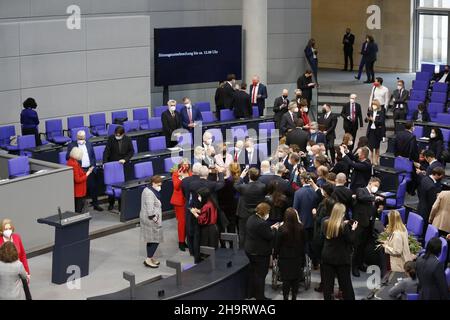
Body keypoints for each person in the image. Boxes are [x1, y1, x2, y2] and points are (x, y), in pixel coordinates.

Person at [321, 203, 357, 300]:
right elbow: (351, 240)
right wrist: (353, 229)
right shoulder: (343, 227)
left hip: (327, 257)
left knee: (327, 285)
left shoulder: (325, 223)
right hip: (341, 259)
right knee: (346, 285)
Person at [245, 202, 278, 300]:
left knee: (253, 273)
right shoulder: (262, 223)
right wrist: (275, 229)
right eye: (268, 212)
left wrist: (270, 228)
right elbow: (269, 236)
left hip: (249, 250)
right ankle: (260, 297)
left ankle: (250, 293)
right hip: (260, 253)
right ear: (264, 212)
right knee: (261, 275)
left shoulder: (251, 218)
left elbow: (260, 232)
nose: (269, 214)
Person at [352, 177, 383, 277]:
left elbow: (373, 208)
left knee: (363, 246)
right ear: (370, 183)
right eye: (375, 185)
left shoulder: (374, 195)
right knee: (357, 246)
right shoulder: (361, 190)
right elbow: (361, 197)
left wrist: (378, 209)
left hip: (369, 224)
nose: (376, 188)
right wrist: (374, 198)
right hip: (360, 224)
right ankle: (354, 267)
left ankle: (361, 264)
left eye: (378, 186)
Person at [66, 130, 103, 211]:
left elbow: (93, 156)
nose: (81, 139)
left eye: (83, 137)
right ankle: (80, 208)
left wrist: (93, 166)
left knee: (93, 187)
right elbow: (67, 157)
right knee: (80, 190)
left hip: (89, 168)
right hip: (79, 169)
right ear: (77, 137)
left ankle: (95, 204)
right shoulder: (71, 145)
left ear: (85, 137)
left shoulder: (89, 144)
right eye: (80, 138)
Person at [274, 208, 306, 300]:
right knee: (296, 279)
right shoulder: (301, 228)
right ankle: (294, 296)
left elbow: (277, 244)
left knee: (286, 280)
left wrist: (275, 255)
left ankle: (285, 297)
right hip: (298, 257)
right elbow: (305, 242)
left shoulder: (282, 229)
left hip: (285, 258)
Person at [234, 167, 267, 248]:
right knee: (257, 233)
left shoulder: (243, 187)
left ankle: (242, 251)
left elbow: (235, 185)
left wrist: (241, 176)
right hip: (258, 213)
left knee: (242, 233)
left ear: (248, 176)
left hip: (244, 214)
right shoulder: (263, 187)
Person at [140, 175, 163, 268]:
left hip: (149, 219)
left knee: (151, 239)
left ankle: (150, 257)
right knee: (155, 239)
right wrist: (156, 220)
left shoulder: (149, 189)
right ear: (153, 183)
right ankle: (148, 259)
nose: (159, 186)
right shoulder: (149, 193)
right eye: (158, 184)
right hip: (151, 220)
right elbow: (150, 211)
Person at [293, 172, 319, 253]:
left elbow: (295, 209)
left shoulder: (298, 193)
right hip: (314, 222)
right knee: (312, 243)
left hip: (302, 222)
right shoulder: (316, 192)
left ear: (302, 180)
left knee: (303, 244)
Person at [170, 159, 191, 251]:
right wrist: (181, 177)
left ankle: (186, 240)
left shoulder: (190, 173)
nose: (186, 166)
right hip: (179, 202)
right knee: (182, 222)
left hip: (189, 201)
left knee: (188, 222)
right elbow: (176, 186)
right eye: (184, 164)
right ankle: (181, 242)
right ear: (180, 165)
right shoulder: (175, 174)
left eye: (187, 164)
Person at [181, 163, 202, 256]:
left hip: (188, 206)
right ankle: (199, 250)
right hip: (199, 207)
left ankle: (192, 251)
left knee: (189, 229)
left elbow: (184, 194)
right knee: (198, 229)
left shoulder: (184, 181)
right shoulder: (202, 181)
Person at [418, 167, 445, 234]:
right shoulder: (432, 187)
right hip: (426, 211)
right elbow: (432, 203)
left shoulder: (425, 179)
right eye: (440, 176)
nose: (441, 178)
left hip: (420, 205)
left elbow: (419, 192)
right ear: (436, 175)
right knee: (424, 230)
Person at [67, 147, 93, 213]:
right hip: (78, 190)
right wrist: (87, 174)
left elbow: (79, 172)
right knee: (78, 209)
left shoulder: (72, 161)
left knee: (79, 207)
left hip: (78, 189)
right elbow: (77, 180)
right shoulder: (74, 164)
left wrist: (86, 172)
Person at [217, 163, 241, 235]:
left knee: (223, 226)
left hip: (225, 208)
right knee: (233, 226)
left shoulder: (225, 182)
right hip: (236, 207)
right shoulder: (242, 180)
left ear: (229, 170)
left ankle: (223, 244)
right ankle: (233, 244)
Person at [366, 100, 385, 165]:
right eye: (372, 105)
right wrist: (368, 118)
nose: (373, 106)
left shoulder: (381, 112)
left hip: (377, 132)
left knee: (377, 148)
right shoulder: (370, 111)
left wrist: (374, 120)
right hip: (371, 131)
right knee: (371, 147)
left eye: (375, 105)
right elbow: (366, 120)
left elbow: (381, 122)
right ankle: (371, 160)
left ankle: (376, 161)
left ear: (377, 105)